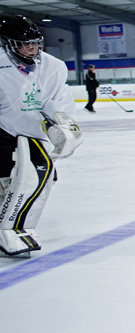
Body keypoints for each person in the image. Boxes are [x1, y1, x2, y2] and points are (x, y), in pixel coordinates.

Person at [0, 14, 82, 258]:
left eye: (35, 43)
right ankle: (6, 228)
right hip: (2, 129)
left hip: (32, 132)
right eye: (26, 44)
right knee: (6, 179)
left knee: (42, 178)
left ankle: (16, 225)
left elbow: (59, 100)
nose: (32, 48)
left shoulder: (53, 66)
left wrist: (64, 124)